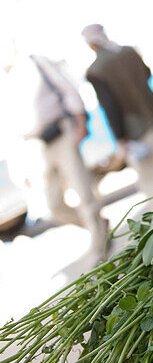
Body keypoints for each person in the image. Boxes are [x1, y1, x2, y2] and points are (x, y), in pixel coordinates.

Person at [82, 25, 153, 200]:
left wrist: (120, 137)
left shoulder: (95, 71)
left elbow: (110, 107)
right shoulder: (128, 52)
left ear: (91, 45)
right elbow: (147, 74)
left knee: (152, 178)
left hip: (133, 129)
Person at [26, 54, 108, 261]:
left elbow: (66, 88)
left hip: (62, 130)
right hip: (40, 142)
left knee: (82, 189)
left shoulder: (35, 62)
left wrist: (80, 121)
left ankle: (99, 246)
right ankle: (98, 227)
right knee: (54, 204)